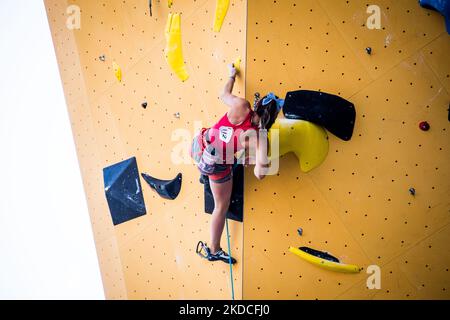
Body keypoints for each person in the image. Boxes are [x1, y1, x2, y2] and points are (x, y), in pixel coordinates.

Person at [191, 63, 283, 263]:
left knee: (233, 153)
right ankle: (213, 250)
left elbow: (223, 93)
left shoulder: (241, 105)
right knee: (220, 207)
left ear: (258, 106)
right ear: (272, 118)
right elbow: (259, 174)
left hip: (198, 145)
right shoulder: (260, 138)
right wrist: (264, 158)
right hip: (215, 166)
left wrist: (232, 76)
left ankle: (204, 174)